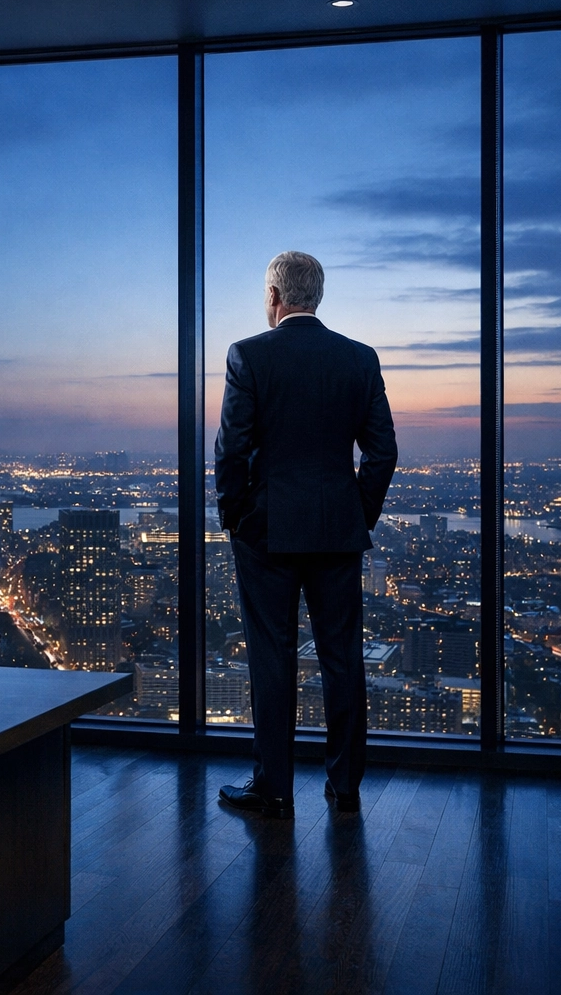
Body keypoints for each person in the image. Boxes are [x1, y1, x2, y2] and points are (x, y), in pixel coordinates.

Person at [214, 251, 398, 819]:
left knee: (273, 659)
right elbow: (383, 452)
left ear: (274, 296)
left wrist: (235, 517)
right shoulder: (359, 359)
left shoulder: (248, 355)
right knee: (343, 658)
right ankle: (344, 786)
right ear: (317, 296)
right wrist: (356, 514)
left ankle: (273, 787)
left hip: (266, 534)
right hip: (336, 534)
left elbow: (231, 450)